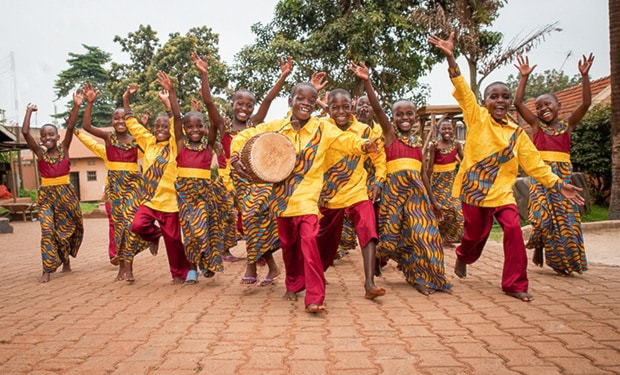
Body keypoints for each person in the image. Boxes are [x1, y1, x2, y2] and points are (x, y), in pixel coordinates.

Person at [429, 32, 585, 301]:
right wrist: (451, 58)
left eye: (505, 96)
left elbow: (536, 165)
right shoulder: (476, 117)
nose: (499, 101)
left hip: (502, 193)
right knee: (475, 237)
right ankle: (463, 257)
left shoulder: (517, 133)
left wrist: (560, 185)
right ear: (485, 100)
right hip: (473, 191)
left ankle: (515, 284)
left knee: (512, 229)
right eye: (493, 96)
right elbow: (464, 91)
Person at [231, 82, 378, 313]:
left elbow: (345, 141)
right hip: (281, 200)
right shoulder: (277, 127)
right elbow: (245, 135)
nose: (306, 104)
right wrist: (235, 156)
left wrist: (363, 145)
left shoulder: (323, 129)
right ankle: (293, 284)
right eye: (301, 99)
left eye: (312, 100)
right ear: (290, 101)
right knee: (289, 247)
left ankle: (315, 297)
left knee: (309, 242)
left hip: (308, 200)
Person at [350, 62, 452, 296]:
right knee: (390, 239)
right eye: (399, 114)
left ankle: (426, 278)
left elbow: (423, 174)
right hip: (393, 195)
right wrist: (367, 82)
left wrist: (434, 201)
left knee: (425, 234)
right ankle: (377, 259)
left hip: (417, 195)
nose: (404, 118)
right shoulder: (390, 135)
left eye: (409, 114)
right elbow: (377, 109)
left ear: (415, 117)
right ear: (393, 118)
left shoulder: (419, 142)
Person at [192, 53, 291, 286]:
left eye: (249, 105)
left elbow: (268, 99)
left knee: (251, 221)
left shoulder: (254, 124)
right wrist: (204, 75)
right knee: (250, 224)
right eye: (240, 104)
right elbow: (208, 102)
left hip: (257, 182)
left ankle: (251, 267)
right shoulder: (223, 125)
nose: (244, 108)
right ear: (232, 105)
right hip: (234, 183)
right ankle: (273, 268)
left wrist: (283, 76)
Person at [513, 53, 594, 276]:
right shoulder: (536, 125)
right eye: (538, 106)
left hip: (563, 178)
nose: (542, 108)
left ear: (558, 106)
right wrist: (524, 78)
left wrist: (584, 76)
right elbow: (518, 103)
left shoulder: (567, 125)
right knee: (541, 217)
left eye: (547, 104)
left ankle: (566, 262)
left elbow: (586, 103)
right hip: (541, 177)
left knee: (566, 221)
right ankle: (539, 245)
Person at [315, 88, 386, 300]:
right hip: (328, 194)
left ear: (352, 106)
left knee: (368, 227)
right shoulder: (321, 126)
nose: (341, 111)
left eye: (345, 107)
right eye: (335, 107)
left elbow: (379, 158)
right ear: (327, 109)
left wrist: (378, 182)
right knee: (324, 242)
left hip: (357, 190)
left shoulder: (365, 130)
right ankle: (317, 272)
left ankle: (369, 283)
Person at [157, 72, 226, 284]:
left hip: (205, 194)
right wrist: (172, 91)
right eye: (190, 127)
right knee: (191, 232)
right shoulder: (179, 144)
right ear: (184, 130)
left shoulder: (208, 145)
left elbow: (215, 119)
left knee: (204, 229)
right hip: (186, 195)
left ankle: (207, 262)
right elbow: (177, 117)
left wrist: (205, 78)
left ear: (204, 127)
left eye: (199, 126)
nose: (194, 130)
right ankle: (193, 268)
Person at [77, 83, 150, 282]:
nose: (120, 121)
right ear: (111, 121)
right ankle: (123, 269)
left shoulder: (136, 141)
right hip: (115, 189)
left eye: (123, 117)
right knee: (120, 229)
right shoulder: (108, 138)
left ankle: (130, 267)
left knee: (131, 226)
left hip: (133, 188)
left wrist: (129, 102)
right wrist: (89, 103)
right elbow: (86, 126)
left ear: (129, 119)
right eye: (116, 118)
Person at [123, 76, 191, 285]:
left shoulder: (173, 144)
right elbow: (131, 123)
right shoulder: (148, 142)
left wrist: (169, 99)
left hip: (170, 203)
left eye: (164, 126)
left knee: (174, 242)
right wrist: (126, 98)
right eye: (157, 126)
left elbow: (177, 121)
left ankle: (179, 274)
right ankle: (154, 235)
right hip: (150, 201)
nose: (161, 129)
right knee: (137, 225)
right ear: (153, 128)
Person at [22, 95, 83, 283]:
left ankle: (65, 260)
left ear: (57, 137)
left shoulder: (64, 148)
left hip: (65, 194)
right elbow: (25, 133)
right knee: (48, 230)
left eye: (51, 135)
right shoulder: (40, 154)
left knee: (65, 230)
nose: (47, 138)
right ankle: (47, 268)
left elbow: (71, 127)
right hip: (47, 196)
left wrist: (76, 106)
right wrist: (29, 112)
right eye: (44, 136)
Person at [427, 120, 464, 246]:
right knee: (441, 210)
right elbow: (430, 167)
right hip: (438, 182)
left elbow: (464, 162)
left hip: (452, 180)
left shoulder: (457, 145)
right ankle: (440, 238)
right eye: (444, 129)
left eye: (449, 129)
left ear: (453, 130)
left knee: (456, 209)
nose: (447, 131)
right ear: (439, 131)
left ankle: (451, 237)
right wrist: (425, 184)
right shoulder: (434, 145)